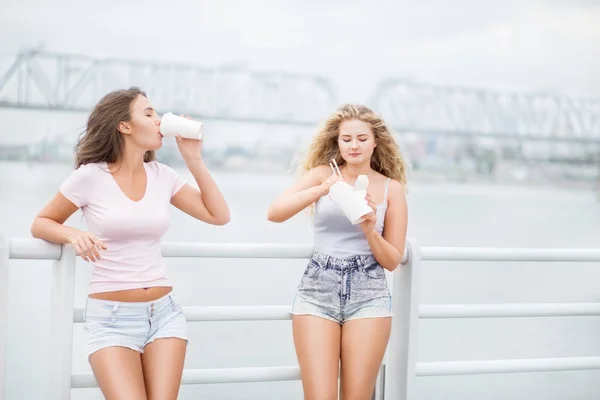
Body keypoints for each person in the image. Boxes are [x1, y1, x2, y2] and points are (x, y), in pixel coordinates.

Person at [30, 87, 231, 399]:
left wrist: (193, 159)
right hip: (110, 319)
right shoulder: (89, 177)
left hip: (165, 314)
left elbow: (218, 215)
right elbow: (41, 223)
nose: (159, 120)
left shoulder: (162, 175)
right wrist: (74, 235)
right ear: (124, 126)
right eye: (148, 114)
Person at [267, 104, 408, 399]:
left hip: (368, 293)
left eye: (361, 138)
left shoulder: (392, 189)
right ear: (337, 142)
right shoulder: (322, 174)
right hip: (318, 289)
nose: (353, 145)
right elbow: (275, 212)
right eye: (346, 139)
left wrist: (369, 227)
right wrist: (322, 189)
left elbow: (392, 260)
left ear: (375, 142)